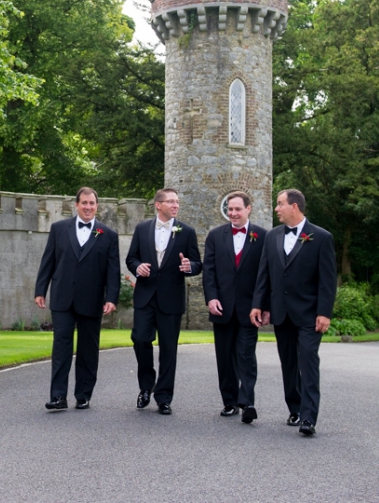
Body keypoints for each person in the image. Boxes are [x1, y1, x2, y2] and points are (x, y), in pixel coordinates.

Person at [251, 189, 337, 436]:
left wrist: (324, 312)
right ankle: (295, 408)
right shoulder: (272, 237)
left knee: (308, 361)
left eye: (280, 204)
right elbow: (264, 274)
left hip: (310, 314)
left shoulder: (321, 237)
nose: (276, 208)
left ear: (295, 206)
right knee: (288, 363)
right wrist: (260, 305)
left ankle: (309, 418)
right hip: (281, 312)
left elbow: (327, 281)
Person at [35, 187, 119, 411]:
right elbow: (48, 261)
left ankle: (83, 395)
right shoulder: (59, 229)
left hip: (92, 300)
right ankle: (58, 397)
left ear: (97, 206)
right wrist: (40, 290)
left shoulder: (108, 234)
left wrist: (111, 297)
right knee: (61, 347)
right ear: (76, 205)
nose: (88, 207)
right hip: (62, 297)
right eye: (84, 203)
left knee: (88, 350)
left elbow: (113, 270)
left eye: (92, 203)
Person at [125, 187, 201, 415]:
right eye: (170, 202)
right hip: (146, 296)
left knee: (169, 349)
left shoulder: (186, 231)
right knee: (140, 339)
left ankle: (164, 397)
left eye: (177, 202)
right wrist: (138, 267)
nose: (175, 205)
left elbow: (197, 263)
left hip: (171, 298)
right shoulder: (142, 229)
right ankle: (146, 386)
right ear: (158, 205)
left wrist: (189, 267)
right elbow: (131, 258)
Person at [203, 191, 267, 424]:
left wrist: (262, 305)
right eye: (230, 209)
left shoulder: (262, 236)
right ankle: (229, 402)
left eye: (237, 209)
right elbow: (209, 270)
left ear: (249, 209)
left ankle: (248, 402)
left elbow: (265, 274)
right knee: (225, 357)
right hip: (222, 308)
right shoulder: (215, 236)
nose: (233, 213)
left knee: (246, 355)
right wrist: (211, 298)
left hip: (250, 309)